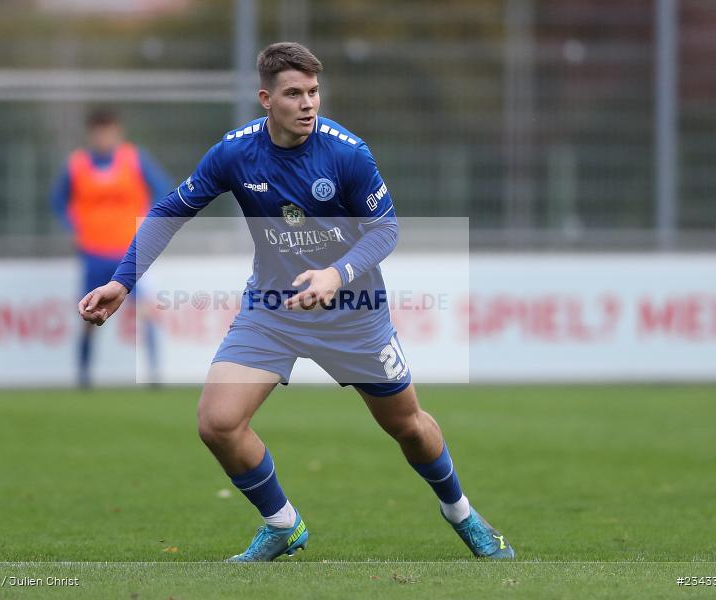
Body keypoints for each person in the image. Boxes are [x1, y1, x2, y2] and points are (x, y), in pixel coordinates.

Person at [78, 43, 514, 561]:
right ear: (266, 99)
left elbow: (385, 229)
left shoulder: (346, 152)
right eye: (293, 93)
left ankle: (461, 512)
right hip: (272, 310)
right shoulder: (235, 153)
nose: (307, 103)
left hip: (354, 314)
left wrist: (337, 273)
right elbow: (172, 209)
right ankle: (282, 524)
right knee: (216, 423)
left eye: (313, 92)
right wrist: (122, 282)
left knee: (407, 426)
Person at [51, 107, 173, 387]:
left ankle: (154, 377)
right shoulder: (77, 165)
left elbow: (164, 189)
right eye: (98, 132)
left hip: (131, 253)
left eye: (108, 132)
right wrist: (73, 228)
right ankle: (83, 378)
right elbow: (58, 201)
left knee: (145, 312)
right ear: (90, 134)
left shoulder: (134, 159)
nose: (104, 138)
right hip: (93, 253)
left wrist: (150, 225)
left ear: (117, 132)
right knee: (89, 316)